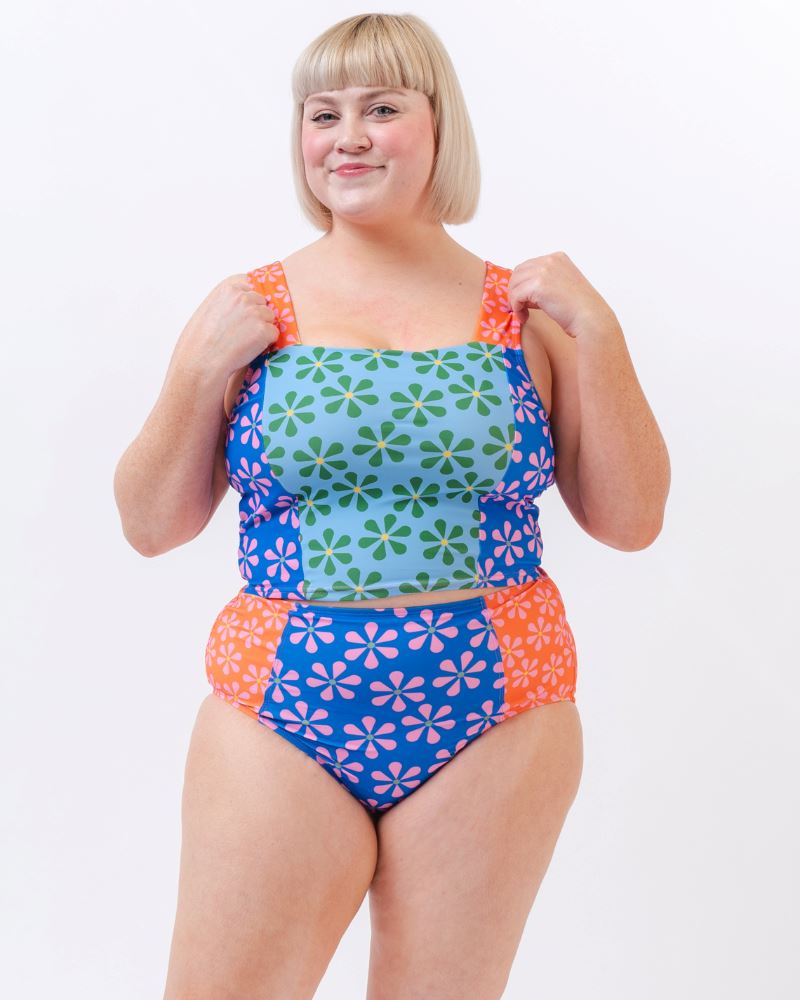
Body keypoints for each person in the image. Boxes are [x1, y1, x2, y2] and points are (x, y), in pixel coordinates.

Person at [114, 12, 670, 999]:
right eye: (321, 114)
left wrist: (601, 331)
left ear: (438, 127)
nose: (348, 136)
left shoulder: (529, 313)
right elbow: (150, 524)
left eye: (381, 109)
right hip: (279, 704)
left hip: (497, 710)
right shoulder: (247, 308)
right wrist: (198, 370)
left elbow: (628, 520)